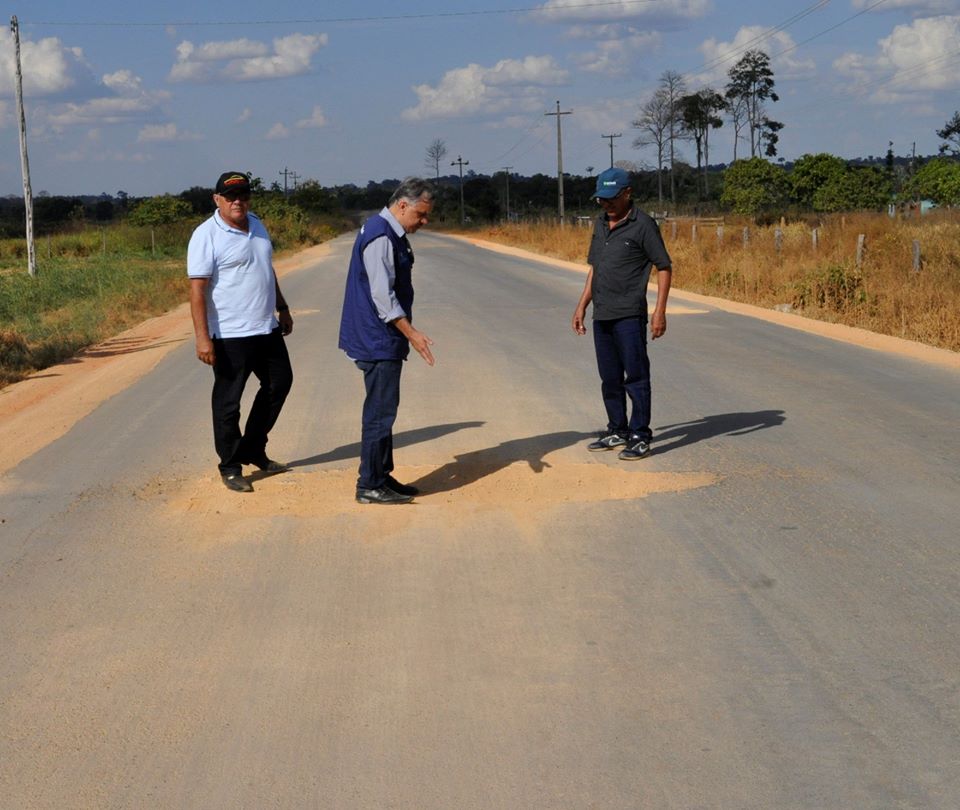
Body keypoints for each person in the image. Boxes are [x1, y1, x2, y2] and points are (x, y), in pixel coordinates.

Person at [188, 171, 294, 492]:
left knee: (279, 383)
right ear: (217, 199)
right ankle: (231, 466)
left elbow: (265, 269)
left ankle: (253, 448)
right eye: (231, 196)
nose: (238, 201)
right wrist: (202, 337)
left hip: (265, 327)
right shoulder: (206, 235)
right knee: (228, 402)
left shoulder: (257, 224)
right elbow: (197, 290)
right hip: (229, 334)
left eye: (243, 195)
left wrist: (282, 306)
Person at [338, 178, 435, 504]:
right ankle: (369, 485)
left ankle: (381, 475)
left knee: (384, 409)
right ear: (402, 205)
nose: (424, 221)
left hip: (380, 337)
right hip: (377, 339)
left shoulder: (387, 231)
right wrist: (412, 334)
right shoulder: (381, 235)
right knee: (379, 413)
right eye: (420, 214)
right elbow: (383, 297)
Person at [572, 167, 672, 460]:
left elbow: (664, 267)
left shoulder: (644, 225)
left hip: (629, 314)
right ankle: (618, 429)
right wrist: (582, 305)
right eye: (601, 199)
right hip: (602, 313)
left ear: (628, 193)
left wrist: (660, 311)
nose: (606, 204)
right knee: (610, 377)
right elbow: (596, 268)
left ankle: (640, 435)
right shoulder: (601, 224)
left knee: (636, 377)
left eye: (611, 198)